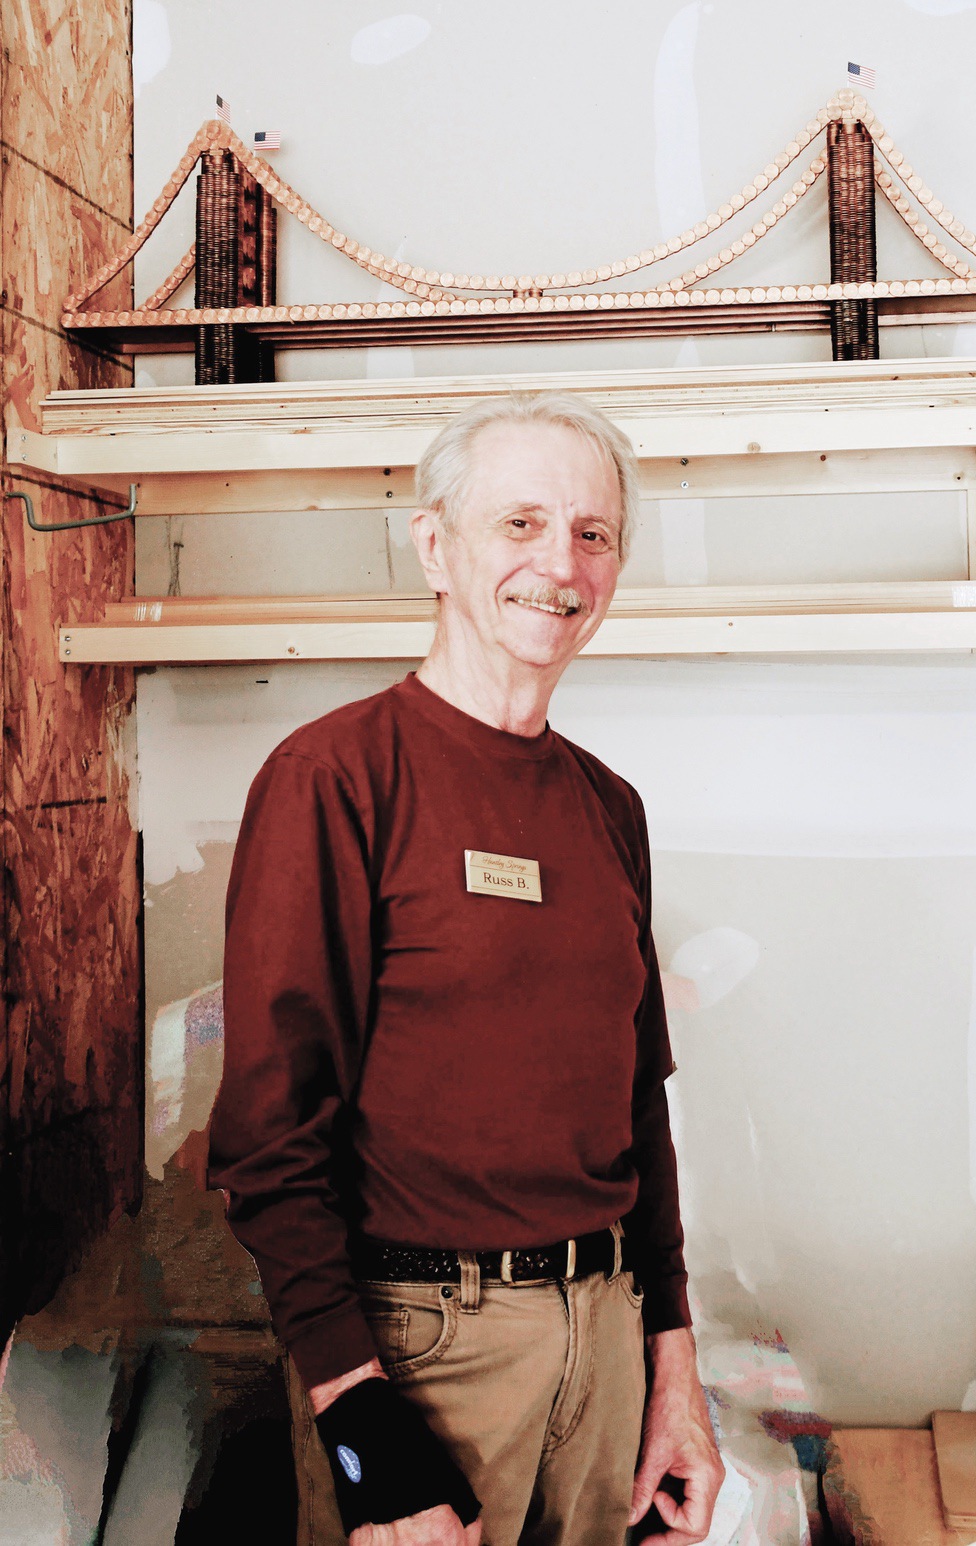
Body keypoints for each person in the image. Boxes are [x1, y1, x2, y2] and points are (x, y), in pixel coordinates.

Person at [208, 392, 723, 1546]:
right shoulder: (335, 779)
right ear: (434, 545)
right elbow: (268, 1142)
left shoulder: (609, 807)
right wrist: (360, 1427)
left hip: (606, 1343)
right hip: (418, 1349)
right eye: (522, 524)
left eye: (593, 533)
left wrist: (673, 1371)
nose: (561, 563)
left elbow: (638, 1108)